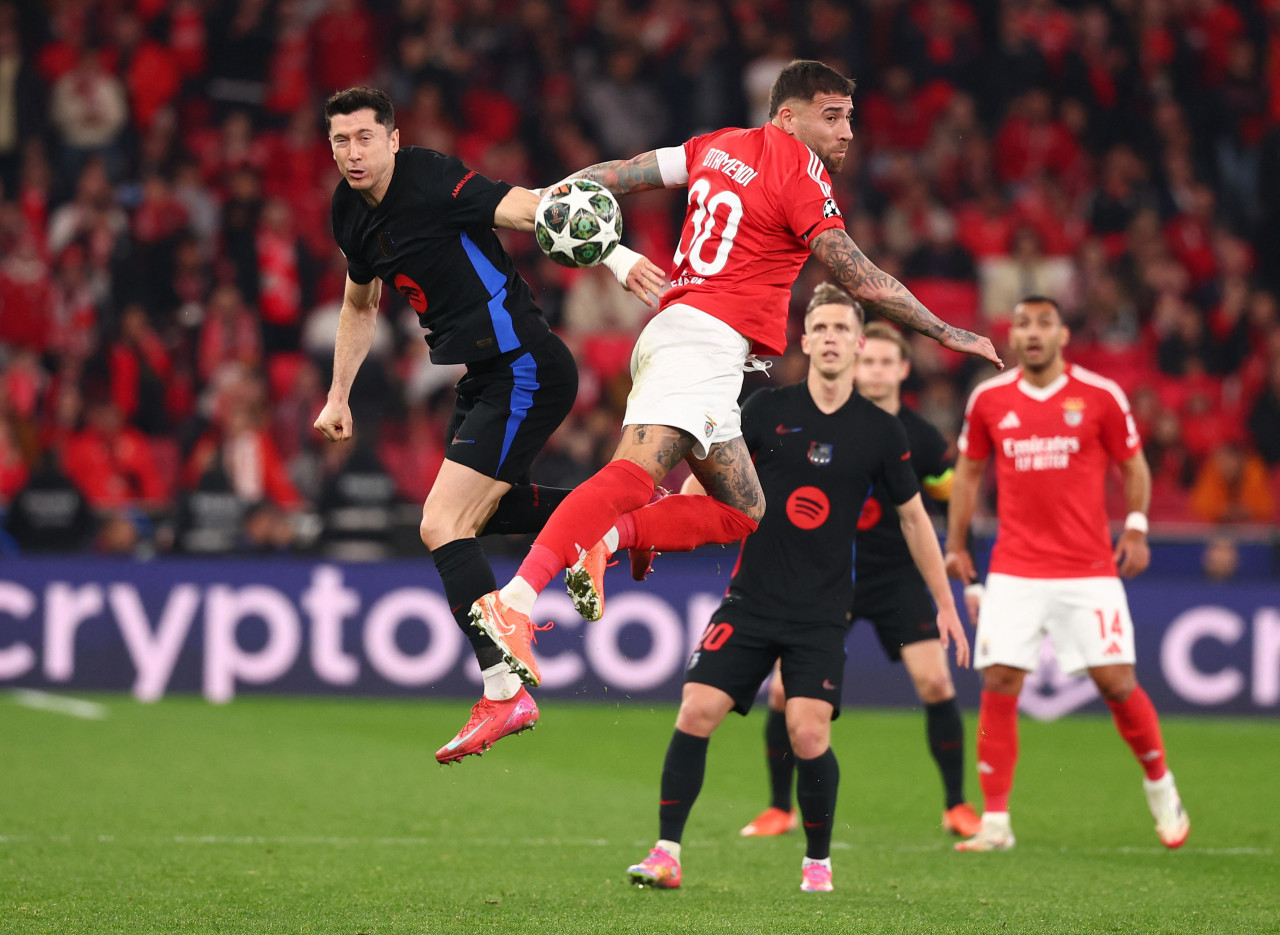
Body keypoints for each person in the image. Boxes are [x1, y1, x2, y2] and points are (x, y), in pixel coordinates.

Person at [470, 60, 1002, 689]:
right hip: (702, 341)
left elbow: (620, 174)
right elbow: (856, 275)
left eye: (849, 118)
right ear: (787, 116)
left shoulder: (716, 145)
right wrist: (946, 330)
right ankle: (514, 602)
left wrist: (552, 200)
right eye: (831, 116)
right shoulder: (799, 169)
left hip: (696, 342)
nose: (847, 133)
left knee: (743, 508)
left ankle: (606, 541)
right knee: (631, 474)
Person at [313, 87, 666, 764]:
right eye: (339, 141)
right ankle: (633, 518)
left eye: (363, 137)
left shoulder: (430, 176)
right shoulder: (347, 214)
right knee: (481, 516)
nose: (352, 153)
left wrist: (617, 258)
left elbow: (529, 207)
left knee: (441, 522)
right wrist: (338, 394)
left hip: (524, 364)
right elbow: (361, 304)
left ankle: (504, 691)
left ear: (391, 138)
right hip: (483, 377)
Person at [623, 287, 970, 893]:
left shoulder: (882, 433)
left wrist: (945, 603)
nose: (832, 337)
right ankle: (665, 852)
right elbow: (706, 484)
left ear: (859, 346)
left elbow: (916, 519)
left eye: (843, 328)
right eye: (821, 327)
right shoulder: (763, 411)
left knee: (808, 731)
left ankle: (817, 863)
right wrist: (655, 532)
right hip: (752, 598)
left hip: (819, 610)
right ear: (804, 341)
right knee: (696, 709)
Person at [945, 294, 1190, 851]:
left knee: (1117, 683)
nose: (1033, 333)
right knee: (999, 681)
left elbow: (1134, 465)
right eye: (1023, 324)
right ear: (1012, 337)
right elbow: (967, 475)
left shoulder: (1100, 396)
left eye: (1045, 323)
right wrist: (956, 543)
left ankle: (1161, 786)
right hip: (1015, 568)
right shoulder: (988, 399)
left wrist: (1135, 527)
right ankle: (997, 822)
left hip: (1088, 569)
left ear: (1063, 336)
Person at [741, 318, 981, 843]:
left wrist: (960, 542)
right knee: (784, 692)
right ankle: (778, 807)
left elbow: (950, 495)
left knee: (937, 681)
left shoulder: (915, 437)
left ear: (900, 369)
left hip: (895, 576)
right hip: (828, 575)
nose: (873, 371)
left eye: (883, 363)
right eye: (867, 361)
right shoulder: (821, 419)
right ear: (857, 357)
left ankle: (957, 805)